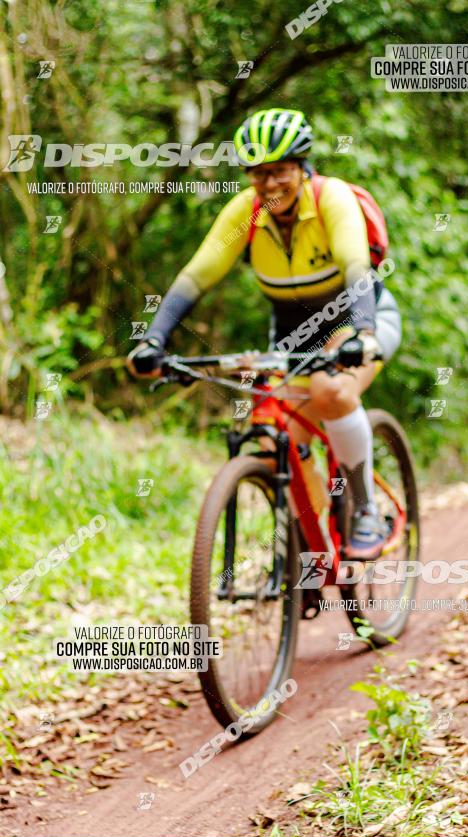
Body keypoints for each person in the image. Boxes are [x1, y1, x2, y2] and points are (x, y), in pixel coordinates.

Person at [128, 108, 401, 560]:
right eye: (258, 175)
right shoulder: (246, 212)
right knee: (278, 434)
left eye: (279, 172)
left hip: (358, 320)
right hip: (292, 337)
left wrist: (363, 333)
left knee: (330, 390)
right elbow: (196, 277)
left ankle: (366, 511)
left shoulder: (331, 199)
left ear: (302, 166)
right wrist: (154, 340)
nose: (269, 185)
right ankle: (315, 546)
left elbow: (357, 267)